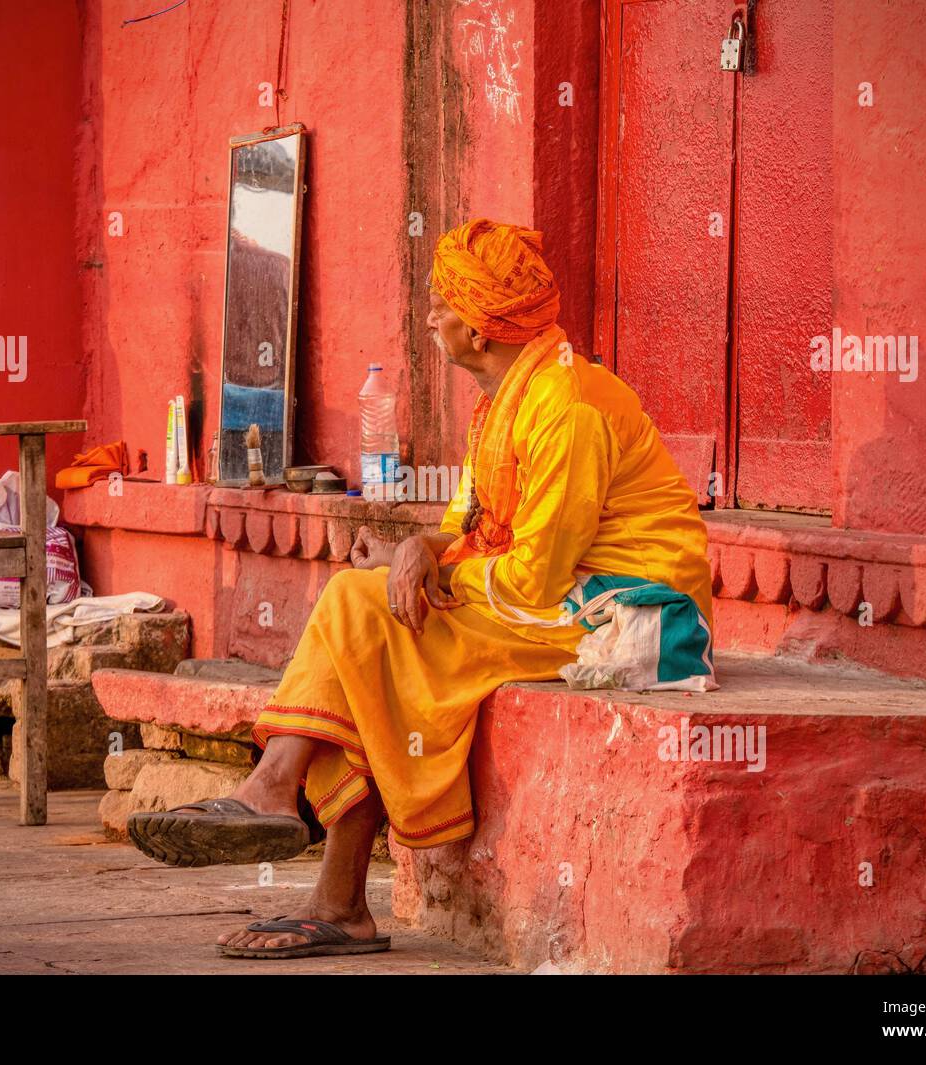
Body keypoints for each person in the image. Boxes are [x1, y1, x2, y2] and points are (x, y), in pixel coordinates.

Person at [127, 218, 714, 959]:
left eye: (442, 304)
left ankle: (286, 804)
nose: (430, 316)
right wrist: (412, 551)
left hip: (631, 619)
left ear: (477, 328)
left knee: (361, 613)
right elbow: (476, 528)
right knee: (368, 617)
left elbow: (532, 577)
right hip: (569, 595)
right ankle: (324, 877)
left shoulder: (567, 407)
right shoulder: (510, 393)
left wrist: (418, 566)